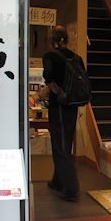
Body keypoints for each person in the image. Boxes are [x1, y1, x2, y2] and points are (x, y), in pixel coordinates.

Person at [42, 26, 82, 202]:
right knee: (65, 142)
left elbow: (49, 77)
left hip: (59, 105)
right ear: (66, 40)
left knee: (60, 145)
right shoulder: (76, 57)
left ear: (52, 40)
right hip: (72, 106)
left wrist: (56, 91)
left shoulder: (50, 56)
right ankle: (58, 180)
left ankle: (71, 188)